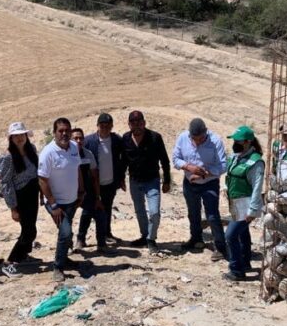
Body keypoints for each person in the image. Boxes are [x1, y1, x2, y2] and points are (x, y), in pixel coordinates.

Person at [172, 118, 228, 259]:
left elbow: (222, 166)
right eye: (195, 139)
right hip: (189, 183)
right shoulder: (183, 138)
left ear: (206, 132)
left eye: (201, 138)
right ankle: (196, 239)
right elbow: (176, 158)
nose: (197, 142)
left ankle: (220, 247)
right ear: (190, 135)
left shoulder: (216, 141)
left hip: (210, 183)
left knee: (212, 216)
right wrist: (189, 167)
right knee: (193, 212)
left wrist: (203, 174)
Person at [38, 118, 85, 282]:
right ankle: (58, 267)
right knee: (65, 232)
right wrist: (53, 204)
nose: (64, 133)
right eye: (60, 131)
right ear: (54, 133)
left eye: (67, 130)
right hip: (56, 203)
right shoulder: (48, 153)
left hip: (72, 200)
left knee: (66, 232)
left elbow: (77, 168)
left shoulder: (73, 147)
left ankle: (64, 258)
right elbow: (42, 180)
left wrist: (81, 190)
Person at [121, 110, 171, 254]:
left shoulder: (155, 137)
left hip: (152, 181)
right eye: (133, 123)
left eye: (139, 122)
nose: (137, 125)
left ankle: (151, 238)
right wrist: (121, 179)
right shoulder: (126, 138)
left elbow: (164, 160)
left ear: (144, 123)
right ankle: (145, 236)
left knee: (154, 212)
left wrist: (166, 180)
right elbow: (123, 160)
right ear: (129, 124)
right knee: (139, 210)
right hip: (134, 181)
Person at [0, 122, 40, 278]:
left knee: (30, 228)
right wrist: (13, 208)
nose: (20, 138)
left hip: (33, 193)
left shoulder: (31, 150)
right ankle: (10, 262)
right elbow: (6, 183)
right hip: (21, 196)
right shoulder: (7, 157)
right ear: (11, 138)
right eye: (16, 136)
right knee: (29, 232)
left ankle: (24, 255)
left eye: (22, 134)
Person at [223, 126, 265, 281]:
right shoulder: (237, 156)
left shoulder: (256, 162)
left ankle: (236, 270)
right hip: (236, 202)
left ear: (248, 142)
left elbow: (257, 187)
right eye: (234, 140)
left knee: (231, 235)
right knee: (242, 234)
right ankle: (245, 263)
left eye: (238, 141)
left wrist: (252, 210)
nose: (235, 143)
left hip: (246, 204)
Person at [82, 113, 127, 244]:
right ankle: (81, 237)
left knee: (107, 209)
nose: (105, 128)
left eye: (108, 126)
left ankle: (106, 234)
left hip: (110, 183)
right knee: (88, 211)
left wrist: (121, 178)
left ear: (112, 126)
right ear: (98, 126)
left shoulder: (116, 140)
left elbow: (122, 160)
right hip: (93, 184)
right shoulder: (89, 141)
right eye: (102, 125)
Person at [72, 128, 111, 254]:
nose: (78, 141)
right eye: (75, 138)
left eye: (81, 138)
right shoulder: (65, 154)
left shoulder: (88, 154)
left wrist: (97, 197)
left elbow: (95, 176)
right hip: (69, 192)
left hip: (87, 191)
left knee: (99, 212)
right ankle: (76, 241)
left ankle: (100, 243)